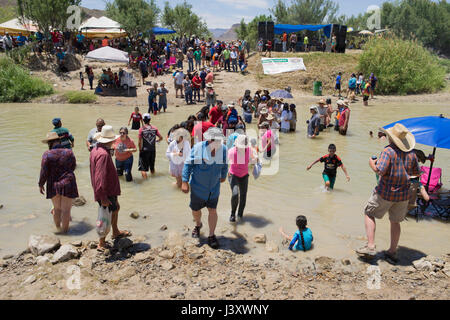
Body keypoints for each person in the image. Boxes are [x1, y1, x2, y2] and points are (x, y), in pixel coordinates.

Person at [356, 124, 420, 263]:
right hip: (403, 194)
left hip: (386, 192)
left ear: (390, 138)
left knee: (369, 213)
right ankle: (392, 251)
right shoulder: (412, 153)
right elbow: (416, 174)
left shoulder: (388, 151)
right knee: (395, 222)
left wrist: (371, 163)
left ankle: (371, 245)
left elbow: (380, 170)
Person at [182, 127, 228, 249]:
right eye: (216, 141)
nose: (219, 143)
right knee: (196, 210)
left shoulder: (223, 149)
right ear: (209, 140)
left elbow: (224, 164)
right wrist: (184, 181)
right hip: (198, 187)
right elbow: (188, 164)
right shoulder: (198, 148)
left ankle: (211, 235)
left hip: (214, 187)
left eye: (220, 141)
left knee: (212, 210)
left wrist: (223, 176)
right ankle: (198, 225)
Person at [90, 125, 131, 250]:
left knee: (115, 208)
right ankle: (101, 242)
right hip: (105, 190)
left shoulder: (96, 149)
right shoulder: (103, 155)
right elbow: (100, 177)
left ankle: (115, 231)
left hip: (108, 189)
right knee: (105, 214)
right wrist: (102, 196)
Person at [39, 132, 78, 234]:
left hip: (53, 183)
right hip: (68, 182)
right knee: (66, 210)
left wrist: (41, 184)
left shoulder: (47, 154)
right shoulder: (69, 152)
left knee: (57, 209)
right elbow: (73, 166)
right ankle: (65, 233)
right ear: (59, 141)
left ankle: (58, 230)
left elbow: (44, 171)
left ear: (49, 143)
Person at [228, 134, 256, 222]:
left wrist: (256, 160)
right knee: (235, 194)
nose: (242, 148)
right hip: (233, 175)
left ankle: (240, 215)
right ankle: (233, 214)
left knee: (243, 196)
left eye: (243, 147)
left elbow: (253, 159)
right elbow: (224, 163)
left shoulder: (249, 150)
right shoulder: (232, 152)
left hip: (244, 175)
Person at [138, 114, 163, 179]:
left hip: (144, 150)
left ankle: (145, 183)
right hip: (153, 150)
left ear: (143, 120)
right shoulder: (154, 128)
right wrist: (156, 141)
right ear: (150, 120)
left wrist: (140, 150)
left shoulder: (141, 129)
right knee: (152, 167)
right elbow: (161, 137)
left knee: (143, 169)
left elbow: (139, 142)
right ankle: (153, 178)